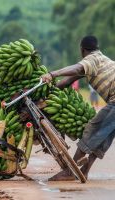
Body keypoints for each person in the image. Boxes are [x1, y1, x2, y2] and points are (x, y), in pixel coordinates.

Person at [41, 35, 115, 181]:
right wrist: (48, 91)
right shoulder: (101, 60)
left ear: (82, 50)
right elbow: (68, 81)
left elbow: (76, 68)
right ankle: (85, 170)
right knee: (104, 137)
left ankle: (70, 171)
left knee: (92, 129)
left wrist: (52, 74)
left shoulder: (92, 59)